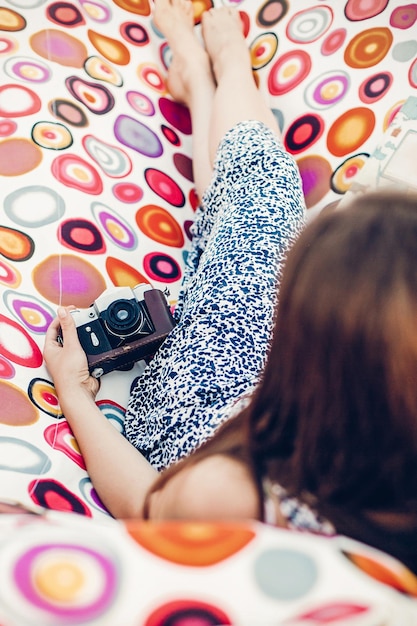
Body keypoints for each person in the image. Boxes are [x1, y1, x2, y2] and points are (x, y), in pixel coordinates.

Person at [43, 1, 306, 518]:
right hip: (247, 401)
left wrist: (73, 393)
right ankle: (203, 84)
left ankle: (225, 64)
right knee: (244, 227)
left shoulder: (226, 494)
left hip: (200, 412)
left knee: (264, 200)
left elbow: (153, 511)